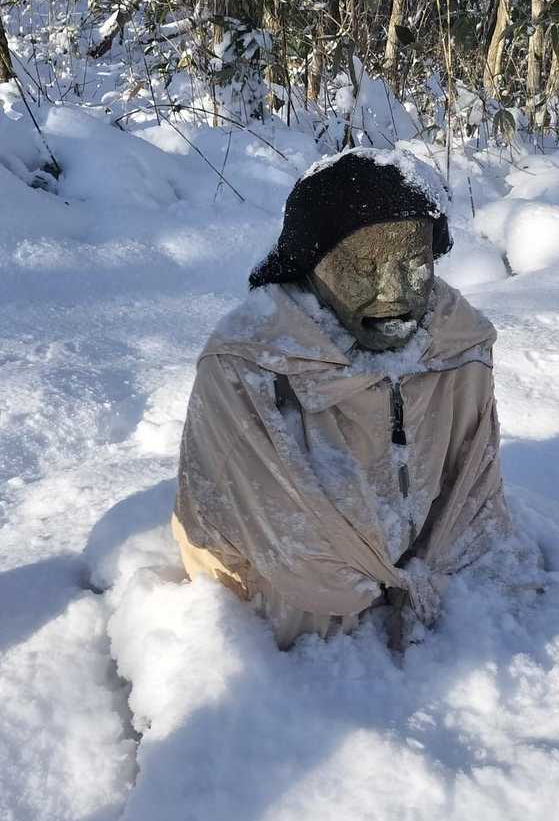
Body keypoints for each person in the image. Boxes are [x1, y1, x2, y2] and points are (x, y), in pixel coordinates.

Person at [173, 148, 518, 648]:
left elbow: (473, 492)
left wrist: (431, 574)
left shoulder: (457, 346)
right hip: (297, 615)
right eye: (363, 266)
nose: (393, 292)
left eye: (414, 264)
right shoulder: (249, 364)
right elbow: (256, 534)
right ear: (312, 264)